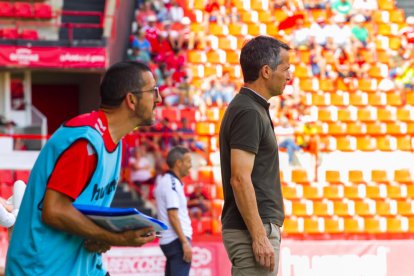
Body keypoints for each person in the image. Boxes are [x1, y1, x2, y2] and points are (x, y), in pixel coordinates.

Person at [6, 61, 162, 275]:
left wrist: (99, 234)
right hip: (42, 269)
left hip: (81, 267)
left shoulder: (113, 142)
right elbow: (55, 211)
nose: (159, 99)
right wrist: (116, 238)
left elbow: (80, 213)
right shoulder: (86, 142)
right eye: (153, 91)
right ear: (132, 100)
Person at [219, 35, 291, 275]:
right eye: (286, 68)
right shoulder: (248, 111)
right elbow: (239, 178)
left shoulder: (252, 107)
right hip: (251, 232)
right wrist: (260, 236)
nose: (289, 76)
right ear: (267, 71)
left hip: (254, 230)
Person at [154, 146, 193, 276]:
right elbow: (173, 215)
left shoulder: (166, 181)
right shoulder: (172, 184)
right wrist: (184, 242)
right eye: (188, 161)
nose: (190, 165)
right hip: (176, 240)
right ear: (178, 163)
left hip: (170, 240)